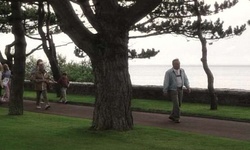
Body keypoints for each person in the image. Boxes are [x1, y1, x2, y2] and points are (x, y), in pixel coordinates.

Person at [163, 58, 191, 123]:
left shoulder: (182, 71)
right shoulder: (169, 72)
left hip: (180, 89)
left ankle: (172, 115)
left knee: (179, 104)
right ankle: (177, 118)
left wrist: (188, 87)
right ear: (173, 64)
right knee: (176, 104)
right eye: (176, 64)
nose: (178, 65)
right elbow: (166, 82)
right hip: (173, 90)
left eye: (179, 64)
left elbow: (185, 79)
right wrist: (165, 90)